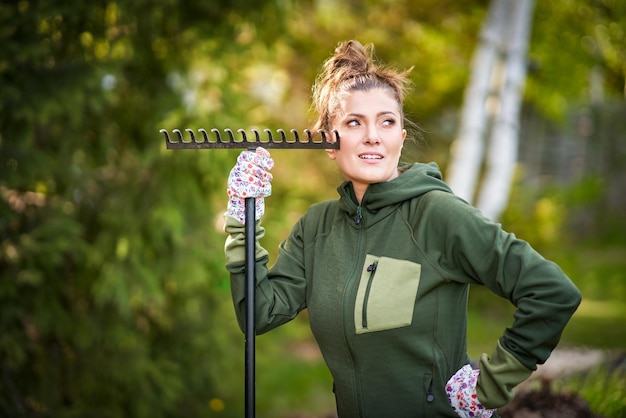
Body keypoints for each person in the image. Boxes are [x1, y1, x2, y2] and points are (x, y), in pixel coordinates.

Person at [223, 40, 581, 418]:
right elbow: (258, 313)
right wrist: (242, 218)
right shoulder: (316, 228)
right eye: (354, 122)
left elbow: (551, 292)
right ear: (329, 141)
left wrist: (489, 385)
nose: (373, 136)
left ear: (401, 137)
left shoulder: (437, 215)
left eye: (387, 121)